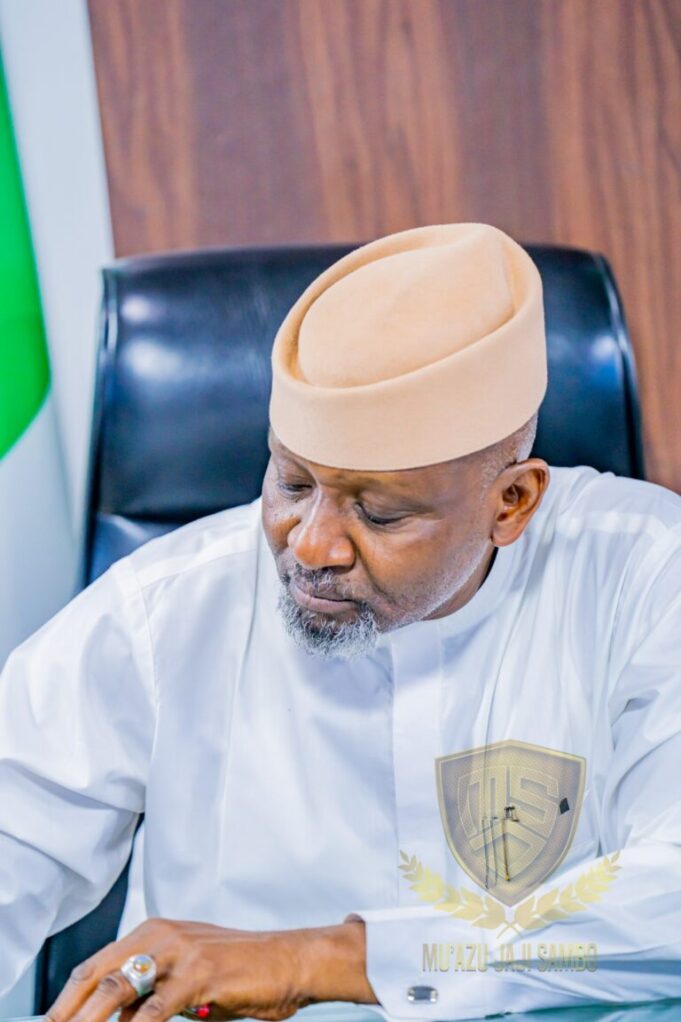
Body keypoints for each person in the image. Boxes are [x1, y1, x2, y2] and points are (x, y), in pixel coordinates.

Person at [0, 222, 680, 1022]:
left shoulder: (645, 573)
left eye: (378, 512)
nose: (311, 546)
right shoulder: (165, 606)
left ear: (511, 502)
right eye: (291, 484)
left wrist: (317, 959)